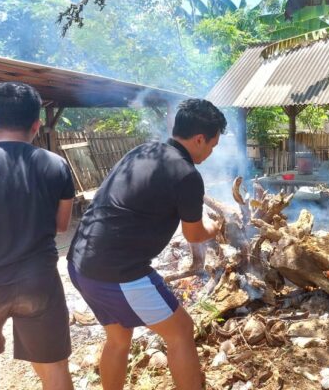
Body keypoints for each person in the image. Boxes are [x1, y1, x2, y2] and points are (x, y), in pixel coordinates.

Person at [67, 98, 226, 390]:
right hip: (118, 272)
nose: (210, 153)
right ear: (200, 139)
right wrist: (215, 228)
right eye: (212, 146)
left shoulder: (143, 150)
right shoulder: (187, 174)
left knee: (118, 337)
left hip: (79, 262)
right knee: (181, 331)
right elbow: (194, 235)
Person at [0, 82, 75, 390]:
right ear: (36, 125)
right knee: (54, 368)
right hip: (38, 283)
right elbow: (61, 225)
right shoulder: (57, 165)